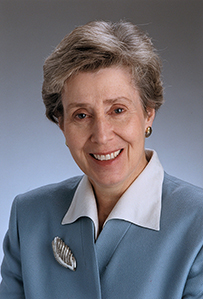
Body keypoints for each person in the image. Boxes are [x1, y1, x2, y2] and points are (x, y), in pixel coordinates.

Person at [0, 20, 203, 299]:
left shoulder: (198, 223)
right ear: (62, 125)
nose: (102, 136)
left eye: (118, 110)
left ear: (148, 114)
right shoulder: (29, 217)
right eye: (81, 115)